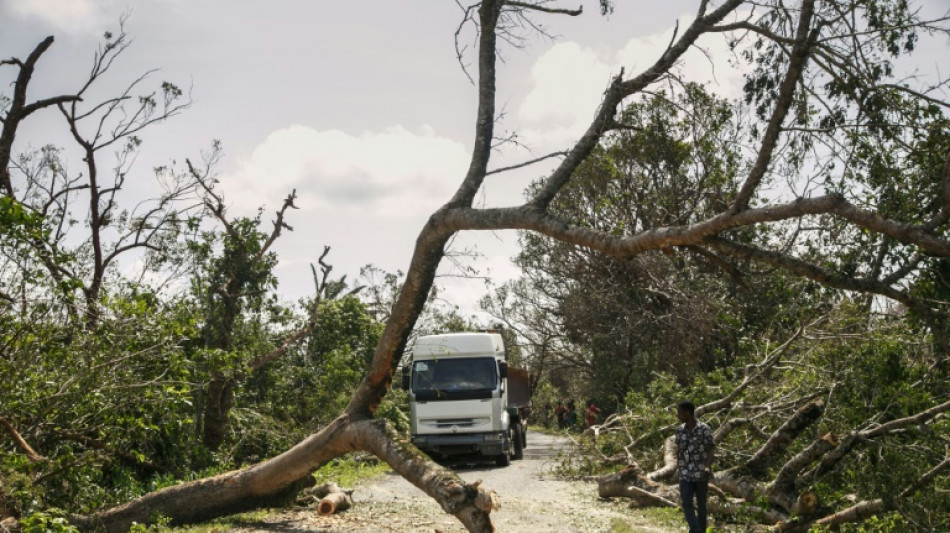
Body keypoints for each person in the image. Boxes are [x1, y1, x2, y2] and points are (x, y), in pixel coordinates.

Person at [675, 400, 715, 533]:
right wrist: (678, 467)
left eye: (680, 412)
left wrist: (707, 466)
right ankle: (695, 529)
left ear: (687, 413)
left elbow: (711, 449)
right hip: (685, 472)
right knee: (686, 502)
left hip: (701, 472)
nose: (678, 415)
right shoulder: (679, 430)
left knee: (701, 505)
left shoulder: (704, 429)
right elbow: (679, 449)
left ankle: (700, 530)